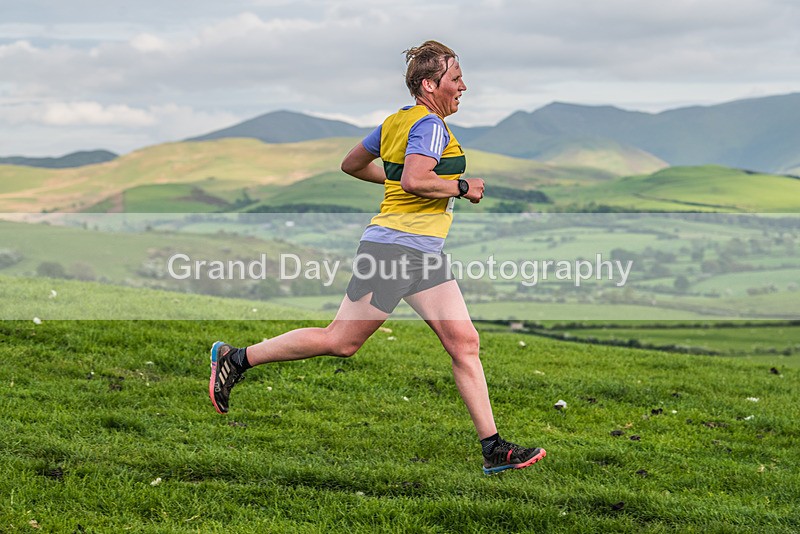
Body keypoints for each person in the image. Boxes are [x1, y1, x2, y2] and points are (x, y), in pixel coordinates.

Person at [209, 40, 546, 475]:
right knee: (340, 341)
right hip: (395, 250)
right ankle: (236, 359)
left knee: (465, 343)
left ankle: (493, 449)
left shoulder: (396, 122)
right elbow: (415, 178)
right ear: (430, 84)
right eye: (456, 79)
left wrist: (400, 180)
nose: (464, 86)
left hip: (422, 252)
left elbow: (353, 164)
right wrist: (462, 187)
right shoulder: (430, 126)